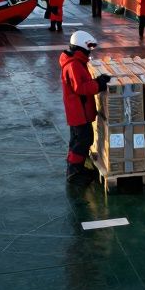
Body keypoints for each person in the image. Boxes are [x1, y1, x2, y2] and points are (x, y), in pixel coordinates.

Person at [60, 31, 111, 183]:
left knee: (77, 139)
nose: (90, 50)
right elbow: (80, 88)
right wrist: (99, 83)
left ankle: (74, 166)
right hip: (78, 111)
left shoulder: (76, 61)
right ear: (82, 45)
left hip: (78, 110)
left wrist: (96, 81)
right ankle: (74, 173)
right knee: (83, 140)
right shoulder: (74, 65)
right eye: (89, 46)